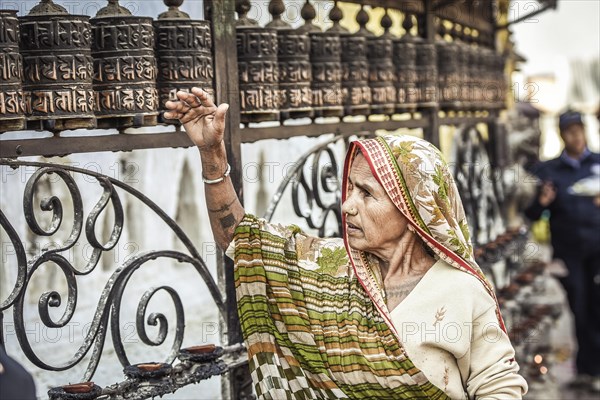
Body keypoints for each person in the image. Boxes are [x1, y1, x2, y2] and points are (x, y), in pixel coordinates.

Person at [165, 88, 528, 399]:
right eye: (350, 188)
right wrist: (212, 155)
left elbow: (498, 386)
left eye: (367, 193)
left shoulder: (462, 291)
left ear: (413, 209)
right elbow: (239, 239)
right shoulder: (329, 266)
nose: (347, 205)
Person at [525, 110, 600, 393]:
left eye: (579, 130)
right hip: (569, 254)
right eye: (569, 131)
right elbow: (532, 214)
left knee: (597, 306)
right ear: (561, 135)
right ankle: (587, 370)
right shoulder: (550, 171)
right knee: (579, 307)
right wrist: (542, 202)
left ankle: (592, 370)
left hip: (598, 249)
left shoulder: (597, 163)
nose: (576, 136)